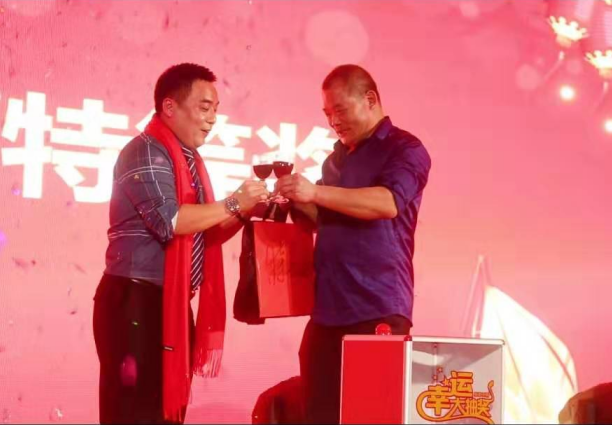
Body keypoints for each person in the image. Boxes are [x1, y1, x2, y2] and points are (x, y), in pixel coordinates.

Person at [93, 63, 268, 424]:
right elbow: (171, 221)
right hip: (134, 303)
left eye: (216, 109)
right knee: (135, 413)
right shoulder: (146, 151)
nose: (212, 119)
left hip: (168, 302)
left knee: (166, 414)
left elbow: (205, 233)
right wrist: (234, 202)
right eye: (204, 107)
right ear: (169, 107)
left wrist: (246, 211)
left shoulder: (189, 163)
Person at [276, 64, 432, 424]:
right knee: (320, 414)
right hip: (327, 311)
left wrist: (315, 193)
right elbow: (322, 219)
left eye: (340, 110)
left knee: (371, 415)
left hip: (377, 307)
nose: (333, 121)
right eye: (327, 113)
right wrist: (292, 202)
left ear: (370, 99)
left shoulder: (405, 148)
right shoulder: (335, 160)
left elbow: (387, 203)